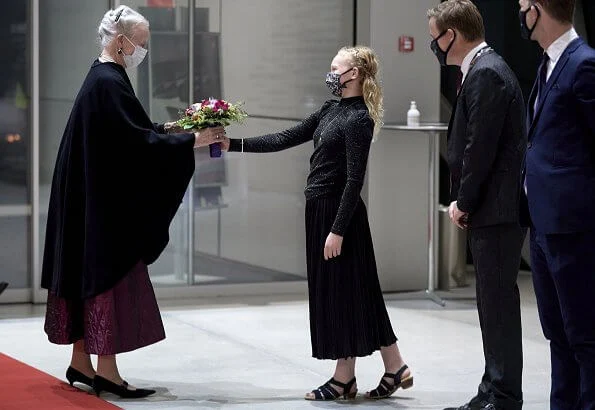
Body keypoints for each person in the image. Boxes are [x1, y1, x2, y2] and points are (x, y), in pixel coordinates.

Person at [41, 5, 223, 399]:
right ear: (120, 41)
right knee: (109, 277)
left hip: (87, 200)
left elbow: (130, 133)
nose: (143, 50)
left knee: (85, 275)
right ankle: (107, 373)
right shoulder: (109, 81)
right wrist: (194, 140)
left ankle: (81, 362)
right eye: (140, 43)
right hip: (102, 209)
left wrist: (174, 128)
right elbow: (138, 144)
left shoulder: (101, 76)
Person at [220, 45, 411, 401]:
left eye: (334, 68)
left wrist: (337, 229)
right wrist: (233, 144)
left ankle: (343, 379)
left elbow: (355, 180)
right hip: (320, 209)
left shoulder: (359, 119)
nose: (330, 73)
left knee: (339, 293)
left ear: (353, 74)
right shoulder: (330, 110)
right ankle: (394, 365)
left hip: (340, 213)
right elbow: (285, 138)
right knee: (358, 291)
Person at [427, 1, 527, 409]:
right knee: (491, 304)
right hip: (494, 209)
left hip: (496, 209)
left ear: (452, 34)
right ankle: (491, 389)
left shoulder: (486, 71)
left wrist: (463, 202)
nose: (433, 44)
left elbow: (479, 148)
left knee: (498, 305)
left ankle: (502, 396)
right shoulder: (481, 69)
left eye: (435, 35)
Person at [518, 0, 595, 408]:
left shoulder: (583, 64)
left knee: (583, 335)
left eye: (522, 6)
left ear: (538, 8)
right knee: (558, 334)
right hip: (543, 223)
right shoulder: (548, 62)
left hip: (573, 226)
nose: (519, 14)